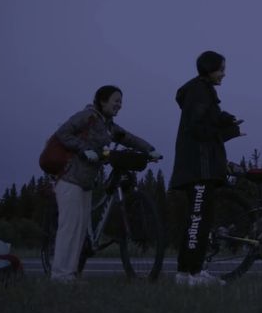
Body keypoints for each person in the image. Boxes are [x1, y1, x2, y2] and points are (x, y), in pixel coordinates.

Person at [50, 85, 161, 282]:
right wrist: (83, 148)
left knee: (80, 231)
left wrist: (150, 149)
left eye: (121, 102)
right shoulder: (87, 116)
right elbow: (63, 133)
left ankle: (70, 275)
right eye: (116, 101)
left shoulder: (108, 126)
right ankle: (59, 276)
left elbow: (129, 138)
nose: (120, 105)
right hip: (69, 178)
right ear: (102, 101)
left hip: (85, 183)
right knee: (70, 229)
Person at [170, 50, 243, 286]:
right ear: (210, 69)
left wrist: (225, 121)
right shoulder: (200, 91)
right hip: (199, 169)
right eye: (221, 69)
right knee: (198, 220)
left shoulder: (202, 91)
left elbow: (204, 123)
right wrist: (225, 129)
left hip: (201, 167)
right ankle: (192, 273)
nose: (224, 74)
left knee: (198, 219)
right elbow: (197, 128)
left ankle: (186, 273)